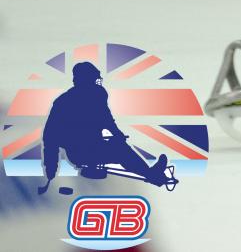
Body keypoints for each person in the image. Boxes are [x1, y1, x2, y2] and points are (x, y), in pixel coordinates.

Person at [39, 63, 173, 193]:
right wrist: (51, 170)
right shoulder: (64, 103)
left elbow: (106, 120)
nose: (97, 83)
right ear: (85, 80)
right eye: (93, 80)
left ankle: (151, 174)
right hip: (79, 153)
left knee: (119, 145)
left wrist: (118, 134)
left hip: (94, 146)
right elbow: (50, 138)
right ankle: (152, 175)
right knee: (121, 151)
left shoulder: (96, 96)